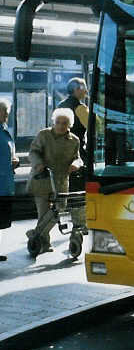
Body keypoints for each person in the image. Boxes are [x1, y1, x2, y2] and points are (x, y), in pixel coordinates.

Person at [27, 108, 82, 255]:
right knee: (44, 213)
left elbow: (78, 158)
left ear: (69, 125)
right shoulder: (44, 135)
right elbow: (33, 152)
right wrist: (38, 164)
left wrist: (76, 164)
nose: (60, 125)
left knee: (59, 211)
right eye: (58, 122)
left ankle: (35, 234)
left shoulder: (74, 140)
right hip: (42, 179)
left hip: (61, 181)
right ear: (54, 122)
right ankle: (44, 243)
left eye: (64, 123)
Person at [0, 98, 19, 262]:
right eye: (4, 111)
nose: (7, 115)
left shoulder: (4, 130)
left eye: (7, 112)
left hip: (4, 182)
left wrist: (15, 160)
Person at [57, 77, 89, 148]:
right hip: (75, 148)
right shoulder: (81, 108)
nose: (86, 91)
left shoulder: (60, 105)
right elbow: (96, 127)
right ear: (76, 90)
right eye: (84, 88)